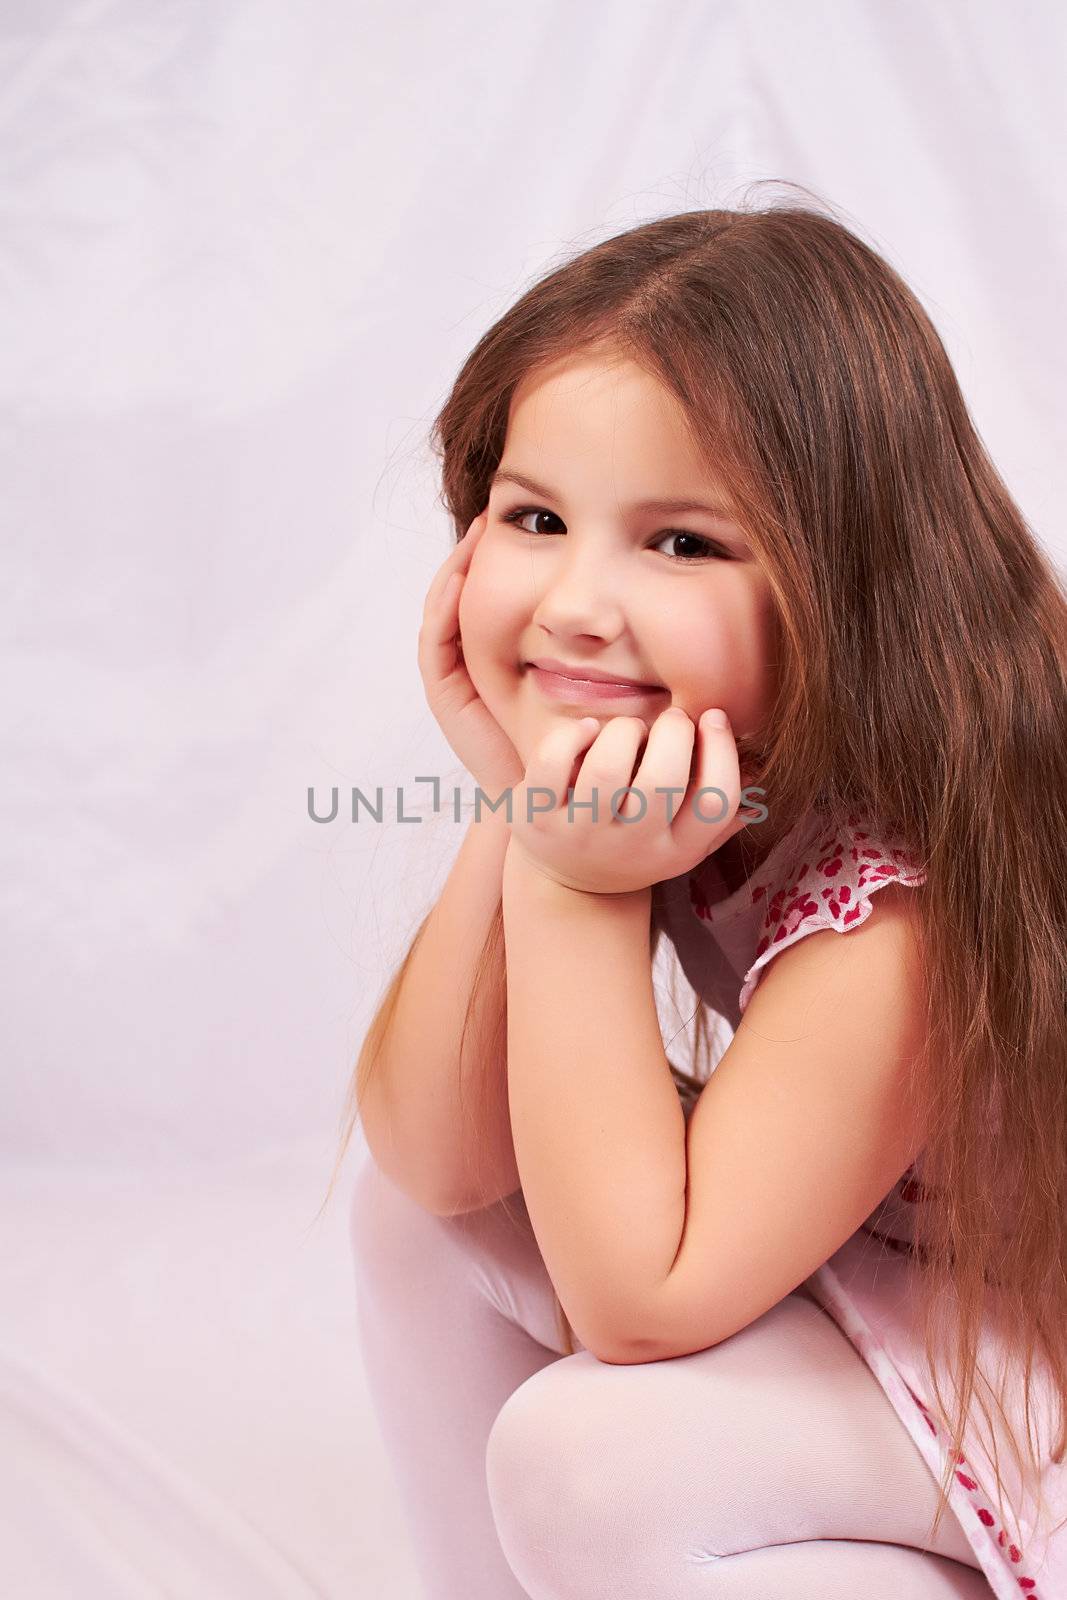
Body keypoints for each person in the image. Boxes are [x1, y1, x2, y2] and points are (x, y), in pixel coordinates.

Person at [334, 201, 1067, 1599]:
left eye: (680, 544)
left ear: (849, 586)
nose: (577, 604)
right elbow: (437, 1158)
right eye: (535, 518)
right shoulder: (712, 762)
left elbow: (645, 1306)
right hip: (897, 1275)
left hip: (1028, 1360)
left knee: (589, 1459)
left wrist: (568, 878)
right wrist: (522, 803)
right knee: (415, 1217)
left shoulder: (906, 902)